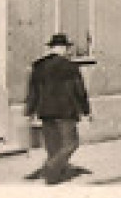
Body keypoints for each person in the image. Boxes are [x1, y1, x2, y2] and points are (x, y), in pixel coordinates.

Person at [24, 33, 91, 184]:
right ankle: (50, 168)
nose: (67, 51)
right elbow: (80, 91)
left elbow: (33, 91)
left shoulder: (38, 66)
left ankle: (53, 178)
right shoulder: (71, 67)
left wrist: (30, 111)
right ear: (62, 48)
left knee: (53, 146)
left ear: (51, 48)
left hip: (45, 111)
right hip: (65, 112)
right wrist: (86, 111)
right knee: (71, 143)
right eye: (66, 48)